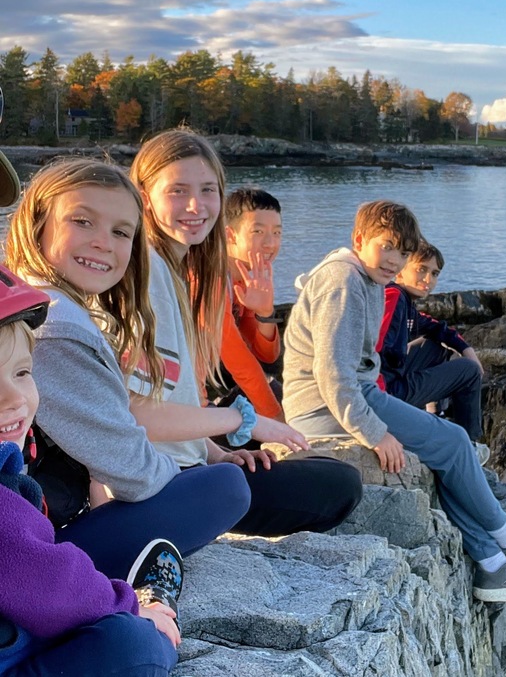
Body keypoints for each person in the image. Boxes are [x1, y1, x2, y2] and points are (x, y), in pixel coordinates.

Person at [283, 199, 506, 602]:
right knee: (454, 443)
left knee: (446, 457)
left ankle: (493, 566)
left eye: (403, 252)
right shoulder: (343, 282)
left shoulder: (365, 279)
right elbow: (333, 375)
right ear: (359, 239)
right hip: (326, 408)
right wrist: (375, 434)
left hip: (348, 396)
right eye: (386, 245)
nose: (394, 259)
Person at [4, 158, 252, 581]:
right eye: (83, 221)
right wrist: (188, 477)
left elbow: (101, 453)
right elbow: (133, 472)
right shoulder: (56, 327)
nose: (103, 242)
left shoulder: (38, 304)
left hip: (36, 519)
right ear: (37, 225)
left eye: (121, 232)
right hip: (27, 555)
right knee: (225, 489)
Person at [129, 129, 362, 537]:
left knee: (327, 474)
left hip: (192, 447)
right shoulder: (154, 276)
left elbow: (262, 357)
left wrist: (216, 452)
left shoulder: (185, 269)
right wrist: (256, 421)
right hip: (163, 476)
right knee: (339, 485)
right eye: (178, 190)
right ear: (145, 196)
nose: (195, 205)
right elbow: (143, 409)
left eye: (207, 190)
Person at [0, 170, 183, 677]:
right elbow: (42, 578)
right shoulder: (57, 326)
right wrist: (129, 606)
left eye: (21, 374)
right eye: (83, 221)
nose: (14, 396)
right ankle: (159, 612)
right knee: (131, 644)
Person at [378, 241, 484, 440]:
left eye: (434, 273)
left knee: (434, 346)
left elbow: (437, 327)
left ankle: (435, 414)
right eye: (421, 269)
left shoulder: (403, 301)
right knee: (468, 371)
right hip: (385, 394)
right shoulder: (392, 298)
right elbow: (376, 349)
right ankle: (470, 444)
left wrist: (466, 349)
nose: (428, 279)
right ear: (400, 269)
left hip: (388, 384)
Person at [211, 188, 285, 420]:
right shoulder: (210, 278)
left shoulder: (245, 279)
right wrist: (278, 420)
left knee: (277, 389)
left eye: (277, 233)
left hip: (219, 379)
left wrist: (265, 312)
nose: (270, 243)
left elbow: (266, 356)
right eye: (258, 231)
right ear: (230, 235)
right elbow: (238, 361)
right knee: (272, 396)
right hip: (188, 392)